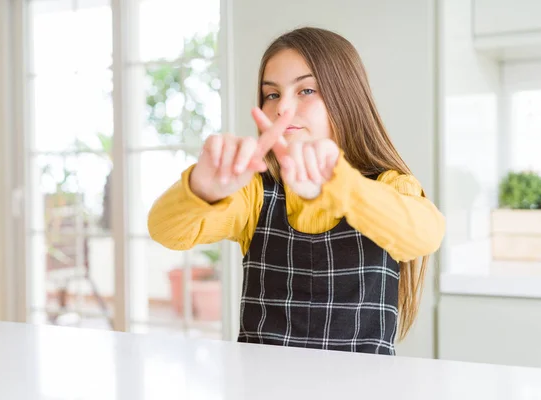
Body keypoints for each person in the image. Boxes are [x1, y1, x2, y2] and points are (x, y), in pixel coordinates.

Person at [148, 27, 445, 355]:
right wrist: (201, 188)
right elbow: (166, 231)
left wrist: (339, 183)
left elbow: (426, 235)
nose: (282, 108)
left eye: (306, 90)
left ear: (346, 96)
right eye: (272, 94)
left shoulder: (388, 186)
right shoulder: (254, 193)